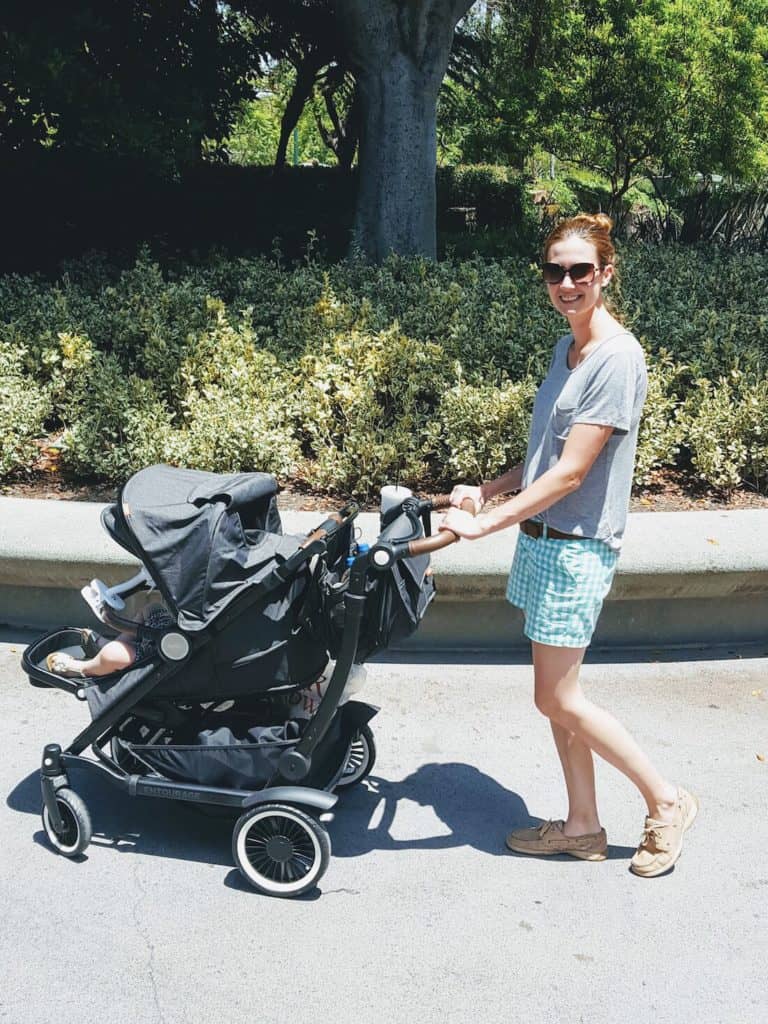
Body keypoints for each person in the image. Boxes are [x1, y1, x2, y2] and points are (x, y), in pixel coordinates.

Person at [440, 213, 698, 878]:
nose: (567, 282)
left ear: (606, 274)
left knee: (557, 699)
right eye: (555, 270)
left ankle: (666, 802)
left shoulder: (617, 357)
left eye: (581, 270)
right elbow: (542, 460)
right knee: (559, 695)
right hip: (542, 538)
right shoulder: (569, 350)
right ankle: (582, 825)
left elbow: (574, 472)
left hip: (578, 546)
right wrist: (487, 491)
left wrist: (484, 525)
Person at [46, 604, 173, 679]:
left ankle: (82, 668)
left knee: (113, 654)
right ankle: (116, 644)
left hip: (165, 657)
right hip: (171, 636)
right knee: (151, 608)